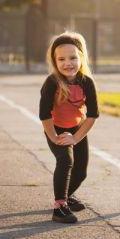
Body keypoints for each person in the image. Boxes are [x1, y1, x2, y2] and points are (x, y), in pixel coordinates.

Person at [39, 31, 99, 223]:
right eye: (62, 59)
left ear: (81, 57)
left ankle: (67, 196)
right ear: (55, 62)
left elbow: (92, 115)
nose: (68, 63)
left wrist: (76, 137)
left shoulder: (87, 82)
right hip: (55, 128)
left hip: (77, 129)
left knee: (81, 171)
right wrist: (55, 137)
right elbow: (44, 115)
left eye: (73, 57)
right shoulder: (51, 83)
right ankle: (59, 207)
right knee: (65, 160)